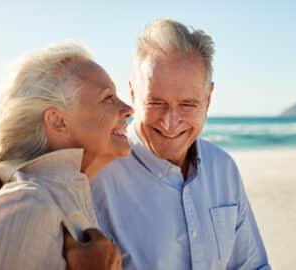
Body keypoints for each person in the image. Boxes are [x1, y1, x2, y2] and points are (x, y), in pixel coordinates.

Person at [91, 19, 271, 269]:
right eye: (156, 102)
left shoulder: (223, 168)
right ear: (132, 93)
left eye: (187, 104)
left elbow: (251, 265)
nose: (170, 122)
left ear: (208, 99)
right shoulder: (96, 178)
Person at [0, 42, 132, 269]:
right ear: (58, 121)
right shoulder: (27, 204)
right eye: (108, 97)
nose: (128, 109)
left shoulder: (59, 199)